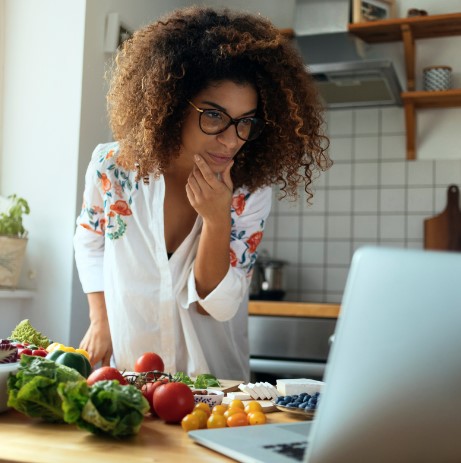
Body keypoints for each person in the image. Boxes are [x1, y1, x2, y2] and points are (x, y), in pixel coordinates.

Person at [73, 6, 331, 381]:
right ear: (173, 103)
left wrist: (216, 217)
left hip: (217, 390)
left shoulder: (249, 189)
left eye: (246, 122)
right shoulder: (112, 167)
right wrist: (101, 320)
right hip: (131, 376)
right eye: (213, 115)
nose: (230, 139)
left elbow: (219, 306)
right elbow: (90, 239)